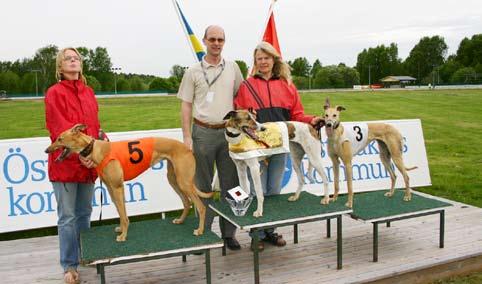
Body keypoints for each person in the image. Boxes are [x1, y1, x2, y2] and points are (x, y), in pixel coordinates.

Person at [234, 41, 322, 251]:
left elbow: (297, 115)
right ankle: (257, 233)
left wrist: (311, 120)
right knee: (258, 189)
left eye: (266, 58)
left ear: (274, 60)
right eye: (259, 59)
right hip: (256, 147)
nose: (263, 62)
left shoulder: (287, 86)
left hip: (280, 146)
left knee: (274, 190)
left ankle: (269, 231)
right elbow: (240, 115)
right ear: (255, 62)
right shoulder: (247, 86)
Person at [177, 25, 244, 250]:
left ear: (224, 42)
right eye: (212, 39)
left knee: (232, 185)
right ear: (205, 41)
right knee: (202, 186)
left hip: (228, 133)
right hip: (202, 133)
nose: (216, 43)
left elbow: (239, 98)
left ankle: (229, 233)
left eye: (221, 39)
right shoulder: (193, 71)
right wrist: (187, 136)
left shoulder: (233, 68)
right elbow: (186, 106)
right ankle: (203, 232)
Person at [45, 47, 102, 284]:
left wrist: (96, 151)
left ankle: (85, 256)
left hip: (89, 163)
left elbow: (95, 127)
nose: (73, 60)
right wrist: (79, 155)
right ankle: (69, 265)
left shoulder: (89, 92)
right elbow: (59, 130)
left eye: (76, 58)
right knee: (67, 217)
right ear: (60, 66)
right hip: (66, 165)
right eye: (68, 58)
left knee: (84, 214)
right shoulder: (54, 93)